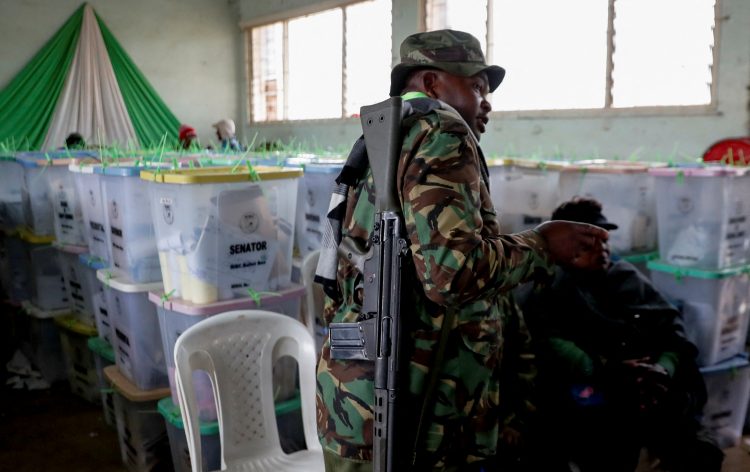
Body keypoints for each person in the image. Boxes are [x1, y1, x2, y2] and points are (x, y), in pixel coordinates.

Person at [315, 29, 610, 471]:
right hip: (417, 414)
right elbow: (452, 274)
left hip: (356, 401)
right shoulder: (441, 130)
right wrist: (542, 245)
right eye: (476, 86)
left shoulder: (384, 140)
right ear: (432, 83)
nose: (486, 102)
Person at [516, 197, 724, 472]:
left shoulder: (625, 277)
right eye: (589, 242)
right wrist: (607, 371)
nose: (602, 249)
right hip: (590, 399)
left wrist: (662, 368)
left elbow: (673, 331)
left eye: (605, 240)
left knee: (700, 451)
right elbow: (549, 346)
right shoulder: (547, 287)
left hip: (650, 387)